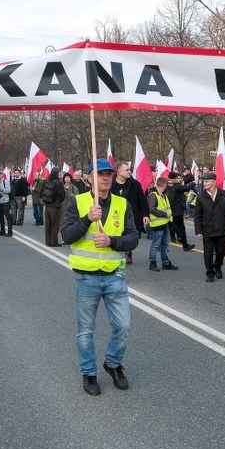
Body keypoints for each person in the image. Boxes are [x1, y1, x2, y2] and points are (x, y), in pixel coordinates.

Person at [61, 158, 139, 396]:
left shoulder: (122, 204)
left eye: (108, 174)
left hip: (115, 276)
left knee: (123, 325)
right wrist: (87, 219)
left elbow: (133, 238)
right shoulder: (78, 202)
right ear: (89, 178)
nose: (105, 178)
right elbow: (67, 236)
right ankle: (89, 373)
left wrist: (111, 241)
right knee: (86, 331)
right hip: (86, 279)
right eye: (100, 174)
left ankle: (113, 363)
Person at [109, 162, 150, 265]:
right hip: (113, 216)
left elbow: (143, 201)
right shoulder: (110, 184)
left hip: (130, 216)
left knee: (128, 235)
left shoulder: (135, 184)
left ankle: (126, 255)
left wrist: (145, 215)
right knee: (115, 235)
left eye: (129, 170)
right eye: (127, 170)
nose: (130, 172)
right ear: (119, 172)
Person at [193, 172, 225, 282]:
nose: (204, 183)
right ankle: (210, 273)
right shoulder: (201, 197)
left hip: (221, 229)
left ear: (213, 182)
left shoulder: (224, 194)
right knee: (208, 253)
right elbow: (197, 215)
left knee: (221, 252)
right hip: (207, 230)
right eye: (203, 181)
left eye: (207, 181)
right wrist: (198, 231)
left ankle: (217, 267)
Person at [147, 177, 178, 271]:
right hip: (157, 225)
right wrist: (165, 214)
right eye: (167, 184)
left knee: (164, 245)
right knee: (155, 245)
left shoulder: (163, 195)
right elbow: (152, 209)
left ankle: (166, 263)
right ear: (164, 185)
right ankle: (152, 263)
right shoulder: (153, 195)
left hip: (165, 224)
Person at [167, 172, 195, 251]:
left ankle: (180, 242)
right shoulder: (176, 187)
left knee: (173, 227)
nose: (178, 179)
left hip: (173, 211)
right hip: (177, 212)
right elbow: (187, 188)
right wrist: (194, 182)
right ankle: (185, 246)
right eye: (177, 178)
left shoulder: (171, 186)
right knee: (180, 228)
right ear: (173, 179)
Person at [41, 167, 66, 247]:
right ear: (57, 173)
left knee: (48, 224)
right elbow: (62, 196)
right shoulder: (59, 183)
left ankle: (48, 242)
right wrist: (58, 200)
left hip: (47, 206)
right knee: (55, 225)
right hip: (55, 206)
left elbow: (41, 193)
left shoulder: (45, 181)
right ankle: (54, 242)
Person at [0, 172, 13, 237]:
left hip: (5, 201)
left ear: (1, 175)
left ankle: (10, 232)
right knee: (0, 217)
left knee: (8, 217)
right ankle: (2, 231)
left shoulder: (5, 181)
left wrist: (2, 189)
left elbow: (9, 190)